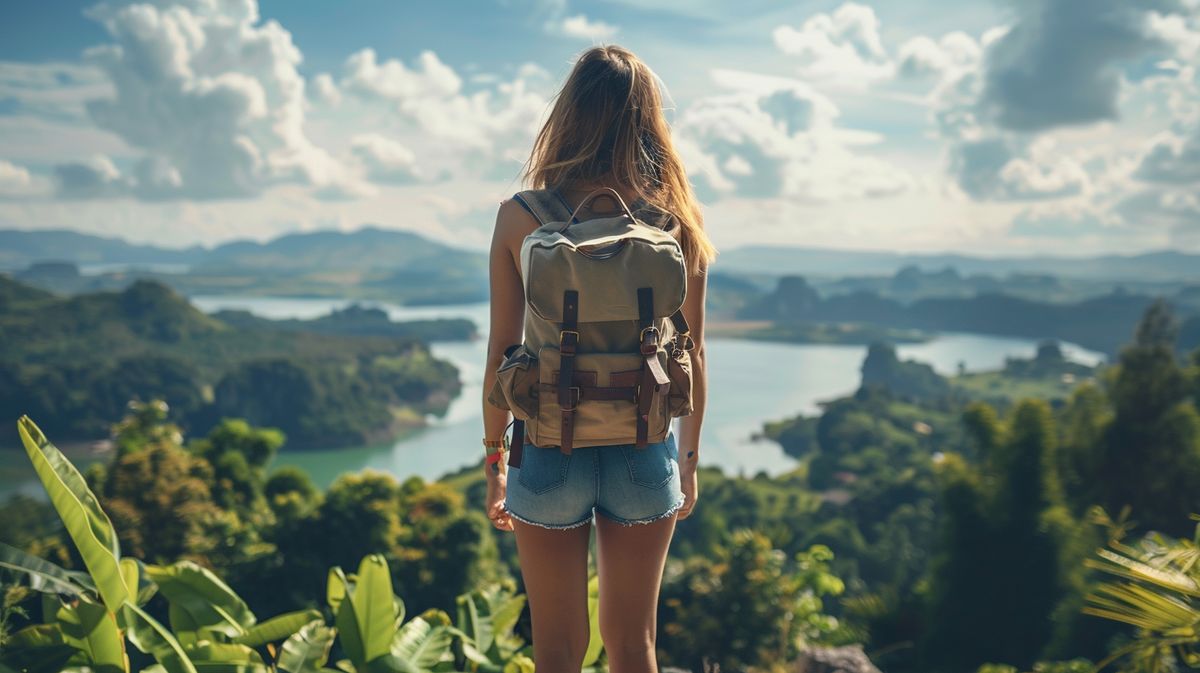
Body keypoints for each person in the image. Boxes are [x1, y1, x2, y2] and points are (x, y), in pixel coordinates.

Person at [481, 45, 716, 673]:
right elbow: (692, 351)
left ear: (567, 114)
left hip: (548, 449)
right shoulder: (676, 222)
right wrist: (687, 463)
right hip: (644, 448)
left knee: (558, 647)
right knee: (633, 642)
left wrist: (494, 462)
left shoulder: (519, 218)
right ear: (647, 121)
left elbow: (502, 350)